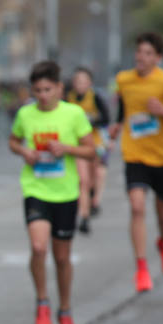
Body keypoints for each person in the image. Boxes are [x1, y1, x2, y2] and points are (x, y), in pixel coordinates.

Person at [9, 61, 95, 324]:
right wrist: (24, 151)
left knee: (61, 258)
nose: (43, 96)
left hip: (66, 193)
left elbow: (91, 151)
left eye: (48, 89)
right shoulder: (25, 114)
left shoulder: (74, 114)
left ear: (60, 88)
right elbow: (13, 140)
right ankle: (42, 302)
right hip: (36, 188)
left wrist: (66, 148)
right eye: (37, 91)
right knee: (38, 246)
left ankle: (65, 311)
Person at [108, 31, 163, 293]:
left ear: (158, 58)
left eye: (148, 54)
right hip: (134, 154)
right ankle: (142, 267)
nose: (141, 58)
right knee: (137, 208)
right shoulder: (124, 79)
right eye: (139, 52)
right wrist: (117, 123)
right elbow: (126, 106)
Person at [65, 67, 110, 235]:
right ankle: (84, 216)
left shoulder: (95, 98)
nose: (80, 85)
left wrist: (90, 122)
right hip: (77, 145)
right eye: (77, 81)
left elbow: (106, 118)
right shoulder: (68, 99)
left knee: (94, 176)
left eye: (83, 81)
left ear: (89, 83)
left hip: (95, 143)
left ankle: (94, 198)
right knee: (82, 181)